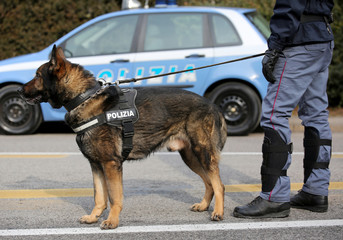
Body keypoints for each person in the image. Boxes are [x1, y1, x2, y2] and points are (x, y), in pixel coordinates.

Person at [233, 0, 334, 218]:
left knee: (273, 115)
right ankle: (315, 192)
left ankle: (274, 198)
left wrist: (275, 47)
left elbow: (289, 6)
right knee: (316, 116)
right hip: (322, 39)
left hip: (298, 43)